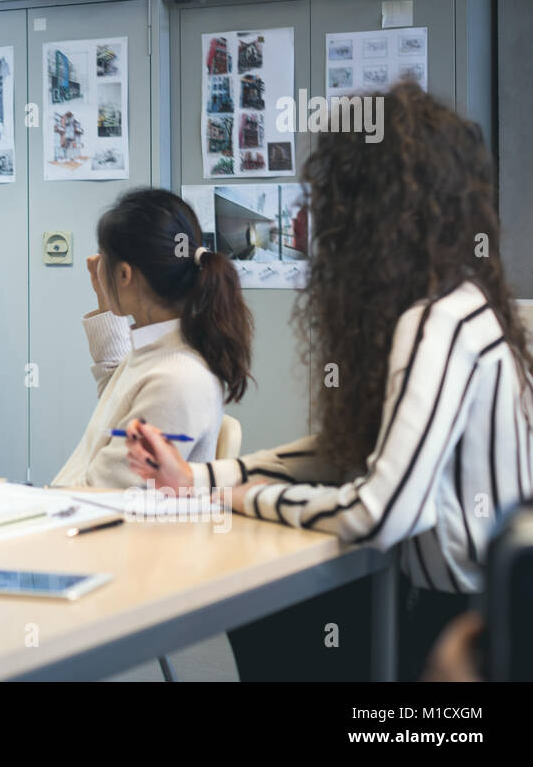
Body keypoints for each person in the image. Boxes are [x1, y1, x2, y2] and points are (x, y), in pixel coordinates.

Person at [127, 82, 533, 681]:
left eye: (325, 202)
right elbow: (354, 451)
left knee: (282, 634)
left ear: (368, 212)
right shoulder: (462, 304)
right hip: (469, 609)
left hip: (467, 635)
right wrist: (200, 478)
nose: (306, 219)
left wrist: (233, 497)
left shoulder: (438, 322)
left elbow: (381, 512)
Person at [52, 188, 253, 489]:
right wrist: (107, 303)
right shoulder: (162, 352)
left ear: (124, 275)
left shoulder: (177, 379)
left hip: (97, 521)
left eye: (104, 258)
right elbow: (118, 399)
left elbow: (108, 494)